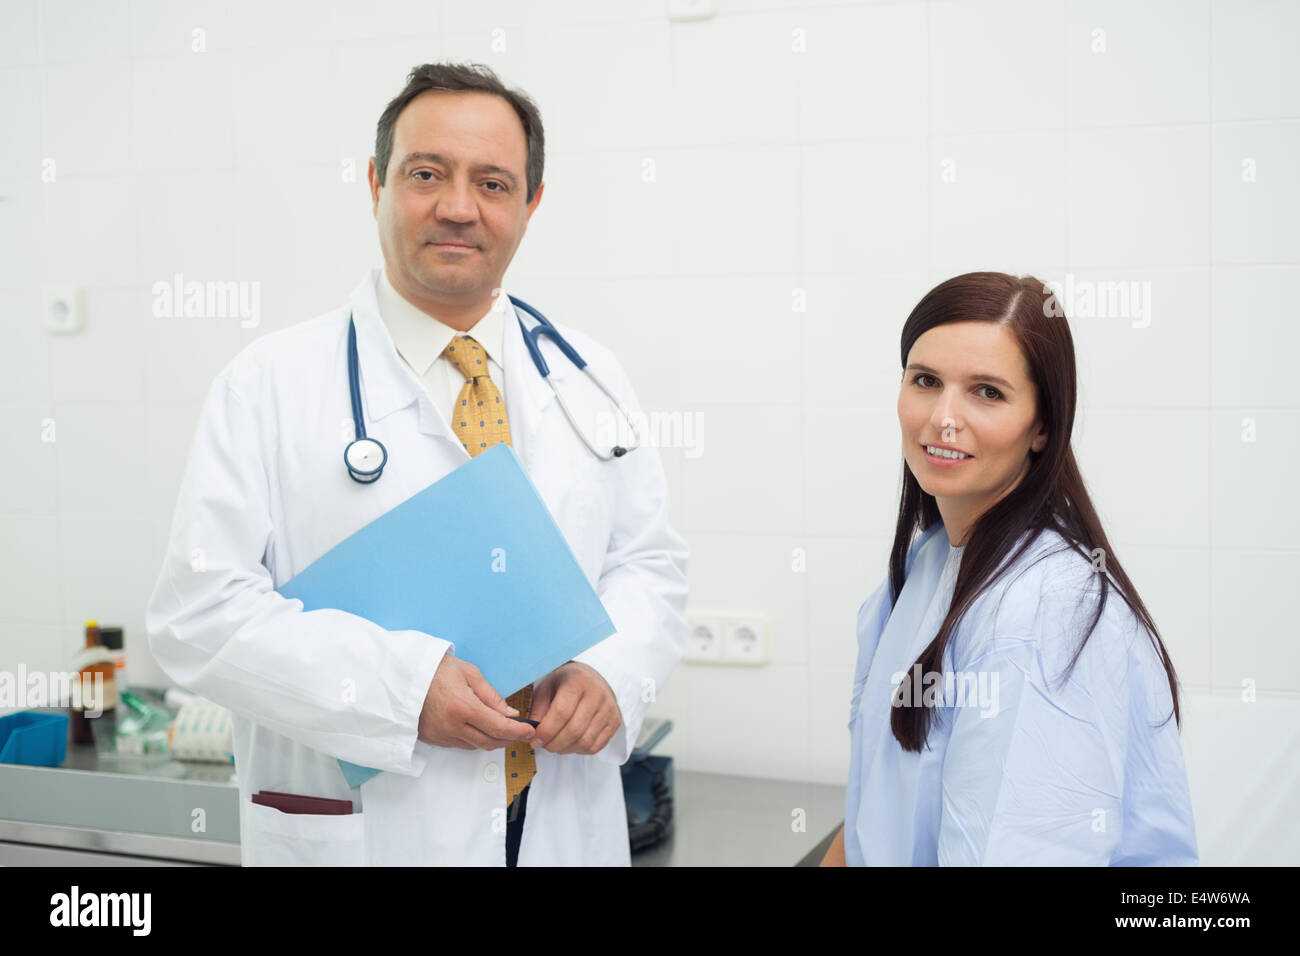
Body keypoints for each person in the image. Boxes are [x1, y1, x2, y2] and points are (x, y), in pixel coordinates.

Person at [145, 62, 688, 866]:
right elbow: (198, 614)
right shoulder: (268, 384)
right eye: (426, 174)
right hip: (371, 828)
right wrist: (398, 690)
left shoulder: (588, 376)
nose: (458, 208)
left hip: (560, 818)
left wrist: (610, 673)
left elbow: (649, 565)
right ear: (375, 183)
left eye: (493, 183)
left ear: (531, 203)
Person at [821, 272, 1197, 866]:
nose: (943, 417)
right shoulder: (929, 562)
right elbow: (874, 805)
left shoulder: (1045, 610)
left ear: (1043, 426)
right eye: (926, 381)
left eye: (987, 392)